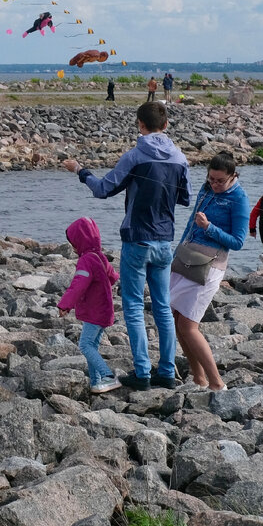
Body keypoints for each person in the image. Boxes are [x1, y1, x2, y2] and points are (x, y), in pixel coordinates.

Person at [63, 102, 189, 390]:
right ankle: (167, 372)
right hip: (164, 241)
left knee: (133, 306)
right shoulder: (180, 158)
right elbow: (184, 198)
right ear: (166, 125)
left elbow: (103, 189)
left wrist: (81, 171)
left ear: (140, 126)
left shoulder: (134, 156)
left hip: (136, 240)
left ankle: (143, 373)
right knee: (162, 307)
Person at [169, 151, 248, 391]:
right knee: (175, 318)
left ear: (232, 176)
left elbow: (238, 241)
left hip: (210, 265)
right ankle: (197, 378)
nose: (214, 184)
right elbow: (191, 223)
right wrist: (177, 251)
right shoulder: (206, 189)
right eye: (211, 179)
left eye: (219, 181)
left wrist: (210, 227)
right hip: (186, 257)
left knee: (188, 326)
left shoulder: (238, 198)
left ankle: (216, 383)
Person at [57, 217, 121, 394]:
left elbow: (79, 284)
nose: (73, 247)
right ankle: (96, 383)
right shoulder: (100, 256)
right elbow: (113, 277)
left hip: (94, 311)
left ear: (80, 241)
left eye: (74, 243)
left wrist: (65, 305)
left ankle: (108, 376)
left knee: (85, 345)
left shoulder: (86, 260)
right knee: (92, 346)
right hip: (104, 310)